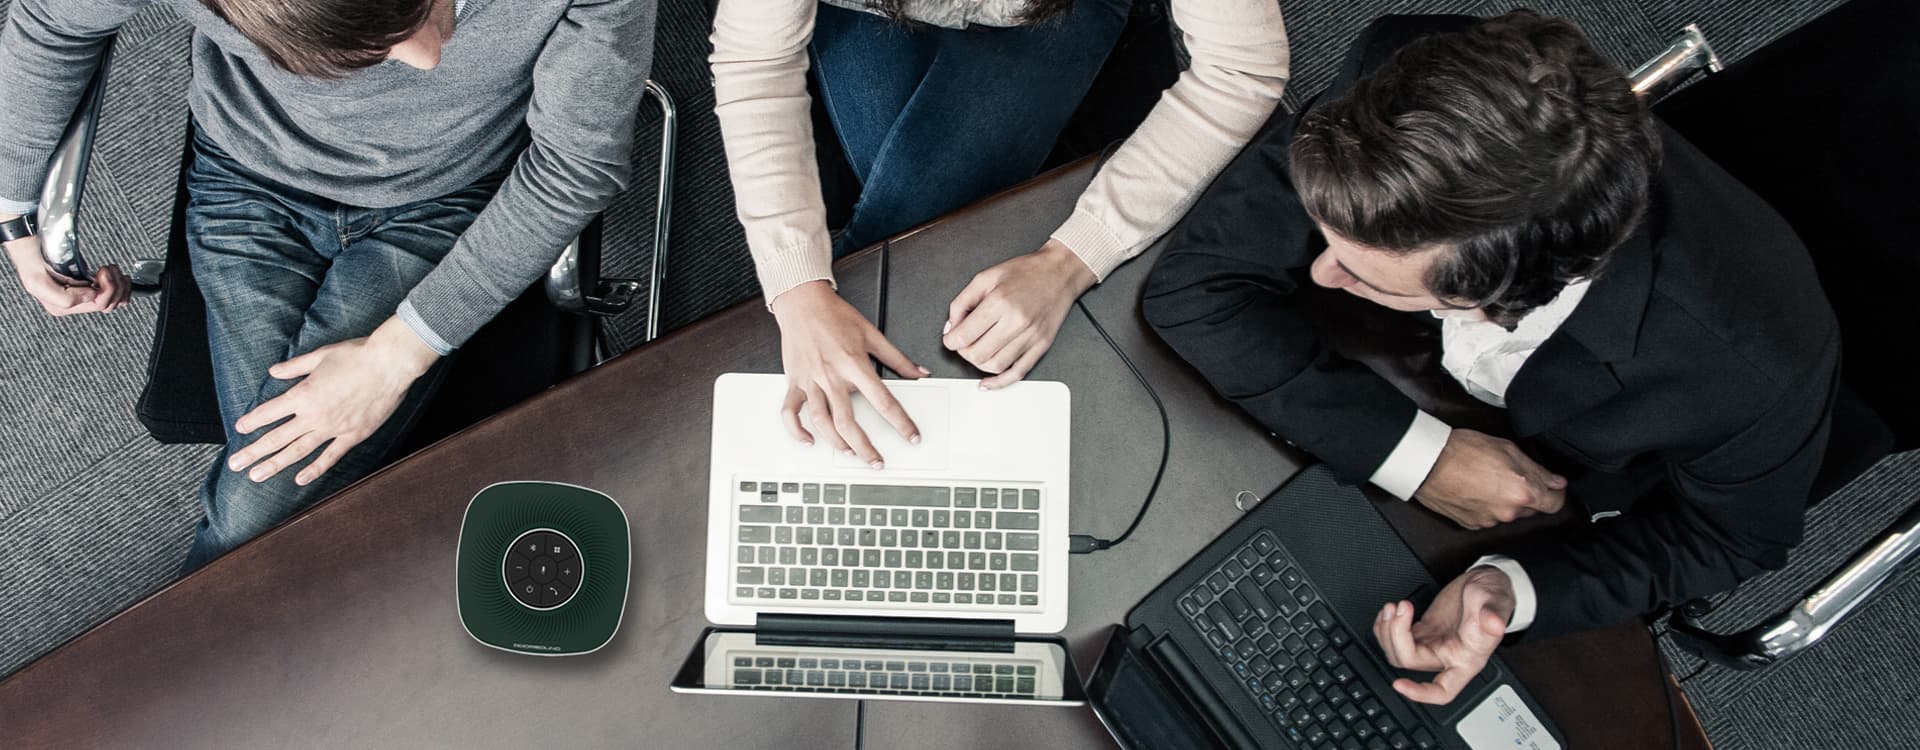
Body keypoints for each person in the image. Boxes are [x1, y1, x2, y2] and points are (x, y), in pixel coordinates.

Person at [1144, 11, 1838, 705]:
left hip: (1585, 470)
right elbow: (1197, 288)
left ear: (1495, 294)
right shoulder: (1406, 74)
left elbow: (1727, 541)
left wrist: (1508, 588)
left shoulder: (1748, 375)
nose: (1324, 273)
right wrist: (1423, 458)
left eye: (1364, 273)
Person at [0, 0, 657, 571]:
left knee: (261, 509)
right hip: (247, 181)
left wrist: (395, 357)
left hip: (445, 192)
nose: (429, 59)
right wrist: (13, 212)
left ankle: (176, 683)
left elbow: (574, 169)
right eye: (369, 53)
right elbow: (50, 23)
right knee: (275, 490)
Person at [709, 0, 1290, 466]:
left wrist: (1072, 261)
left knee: (914, 229)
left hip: (1059, 12)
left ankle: (833, 431)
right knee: (915, 229)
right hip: (866, 11)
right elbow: (754, 61)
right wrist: (799, 292)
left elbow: (1242, 66)